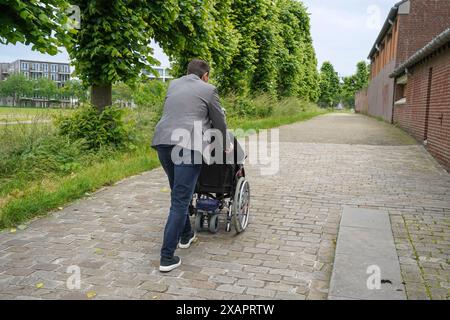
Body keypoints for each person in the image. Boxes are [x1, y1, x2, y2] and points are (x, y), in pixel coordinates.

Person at [151, 59, 229, 272]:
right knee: (180, 200)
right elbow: (219, 121)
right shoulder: (209, 89)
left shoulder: (173, 84)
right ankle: (167, 257)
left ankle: (187, 235)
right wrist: (224, 145)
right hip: (188, 144)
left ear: (187, 73)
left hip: (163, 142)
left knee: (178, 193)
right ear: (205, 76)